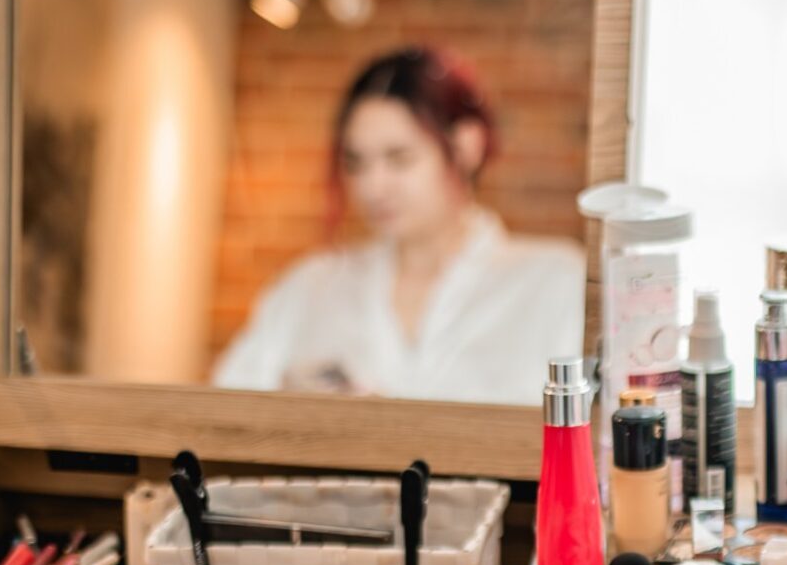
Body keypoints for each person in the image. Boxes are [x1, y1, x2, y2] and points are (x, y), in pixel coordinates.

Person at [213, 47, 583, 403]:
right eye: (357, 163)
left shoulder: (555, 283)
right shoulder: (309, 288)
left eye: (400, 159)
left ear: (467, 146)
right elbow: (225, 414)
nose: (373, 187)